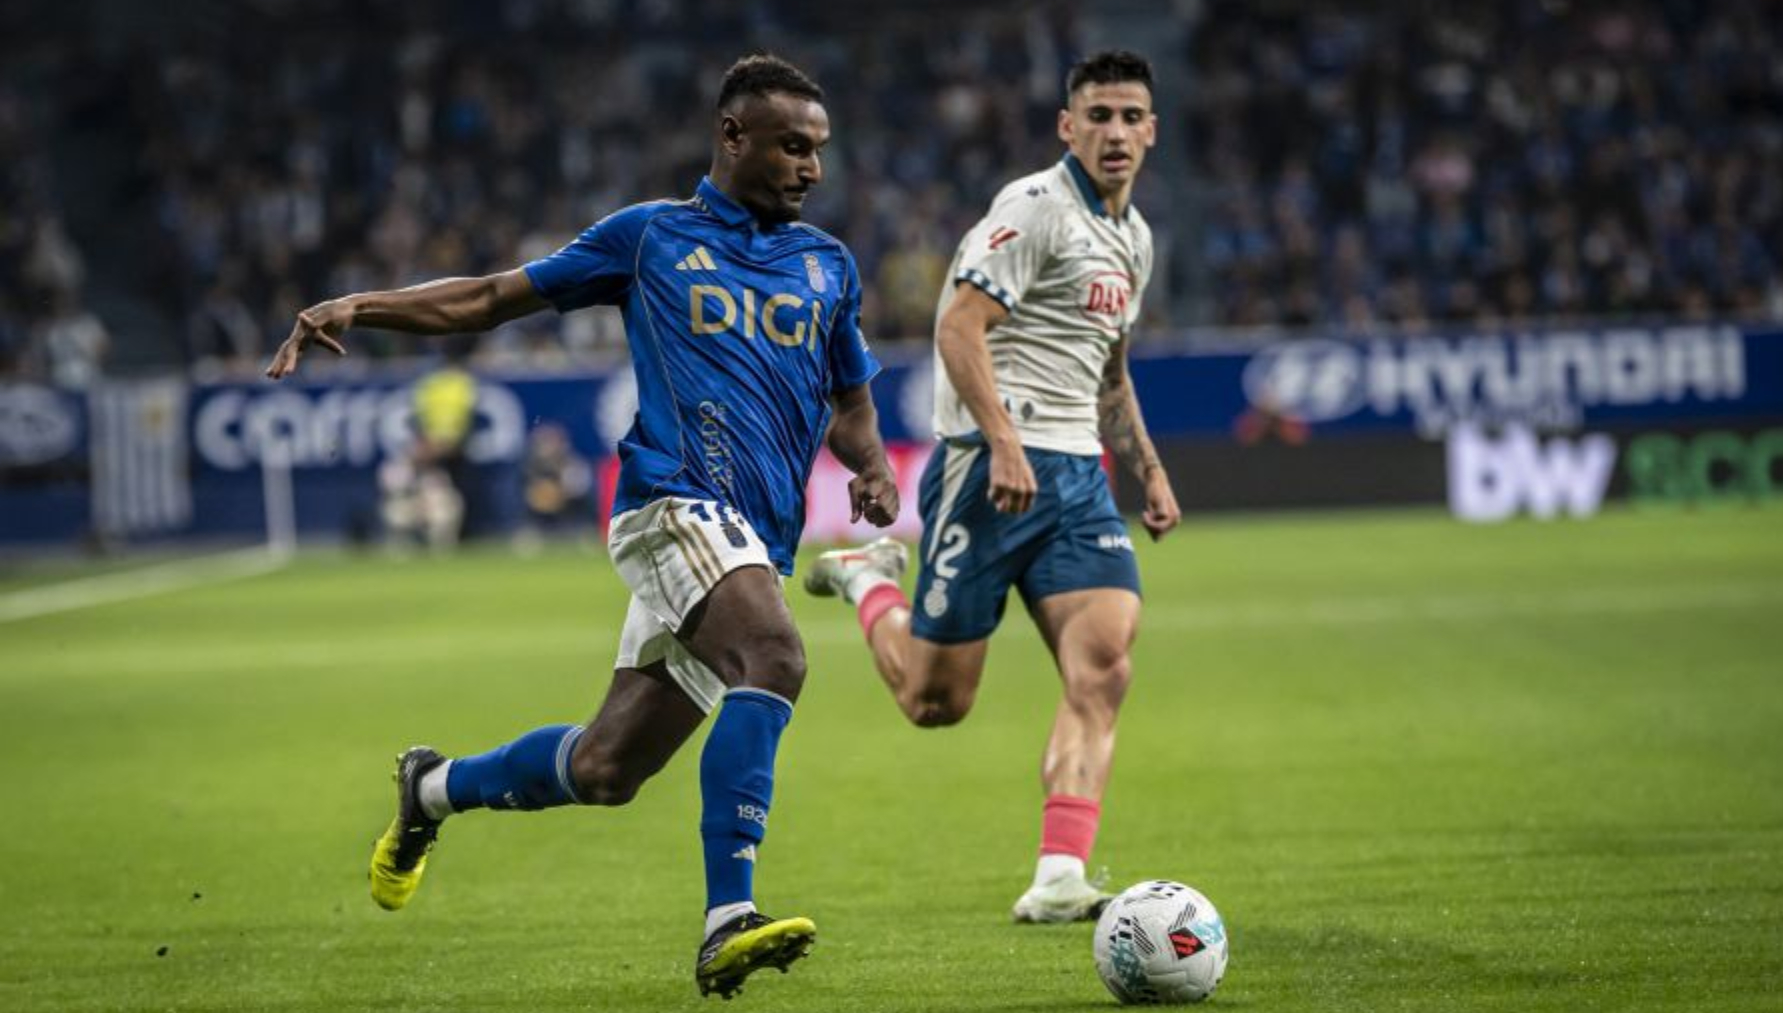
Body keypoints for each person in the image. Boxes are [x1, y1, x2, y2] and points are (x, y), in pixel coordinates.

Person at [265, 55, 899, 999]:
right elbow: (490, 299)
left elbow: (850, 400)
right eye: (792, 146)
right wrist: (364, 304)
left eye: (820, 150)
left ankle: (431, 787)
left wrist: (875, 463)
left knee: (606, 767)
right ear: (733, 137)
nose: (812, 167)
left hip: (751, 536)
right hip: (671, 504)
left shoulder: (828, 265)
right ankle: (729, 918)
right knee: (775, 656)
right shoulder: (651, 238)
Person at [805, 50, 1178, 924]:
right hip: (988, 471)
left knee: (1105, 665)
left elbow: (1109, 372)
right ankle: (868, 580)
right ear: (1067, 125)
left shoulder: (1136, 239)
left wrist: (1151, 472)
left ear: (1152, 131)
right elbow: (959, 327)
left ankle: (1058, 874)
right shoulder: (1034, 209)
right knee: (937, 701)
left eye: (1130, 117)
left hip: (1078, 477)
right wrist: (1003, 440)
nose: (1115, 132)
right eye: (1099, 116)